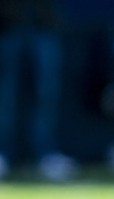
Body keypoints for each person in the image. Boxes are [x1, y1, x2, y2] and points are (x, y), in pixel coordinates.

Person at [0, 0, 77, 181]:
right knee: (6, 97)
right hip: (8, 26)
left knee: (46, 96)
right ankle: (3, 153)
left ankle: (46, 154)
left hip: (44, 25)